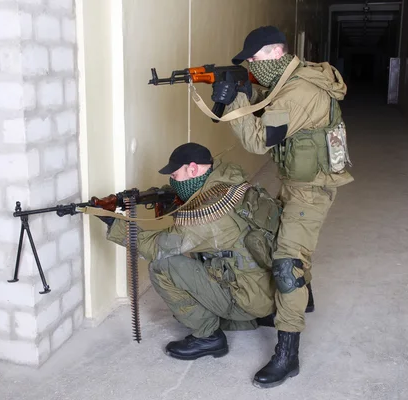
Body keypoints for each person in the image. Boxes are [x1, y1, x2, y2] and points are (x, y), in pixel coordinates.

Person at [210, 25, 354, 388]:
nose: (252, 66)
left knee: (288, 263)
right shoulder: (288, 79)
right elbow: (268, 94)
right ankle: (304, 300)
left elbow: (259, 141)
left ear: (275, 53)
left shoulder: (300, 91)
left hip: (313, 190)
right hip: (295, 181)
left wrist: (238, 101)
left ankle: (287, 356)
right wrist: (242, 87)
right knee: (278, 238)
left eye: (254, 59)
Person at [98, 142, 281, 368]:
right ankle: (247, 315)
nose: (173, 181)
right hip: (268, 288)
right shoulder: (232, 183)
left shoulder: (209, 214)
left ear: (193, 169)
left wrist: (114, 223)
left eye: (175, 174)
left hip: (246, 300)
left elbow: (157, 246)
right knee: (193, 254)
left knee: (162, 265)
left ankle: (208, 336)